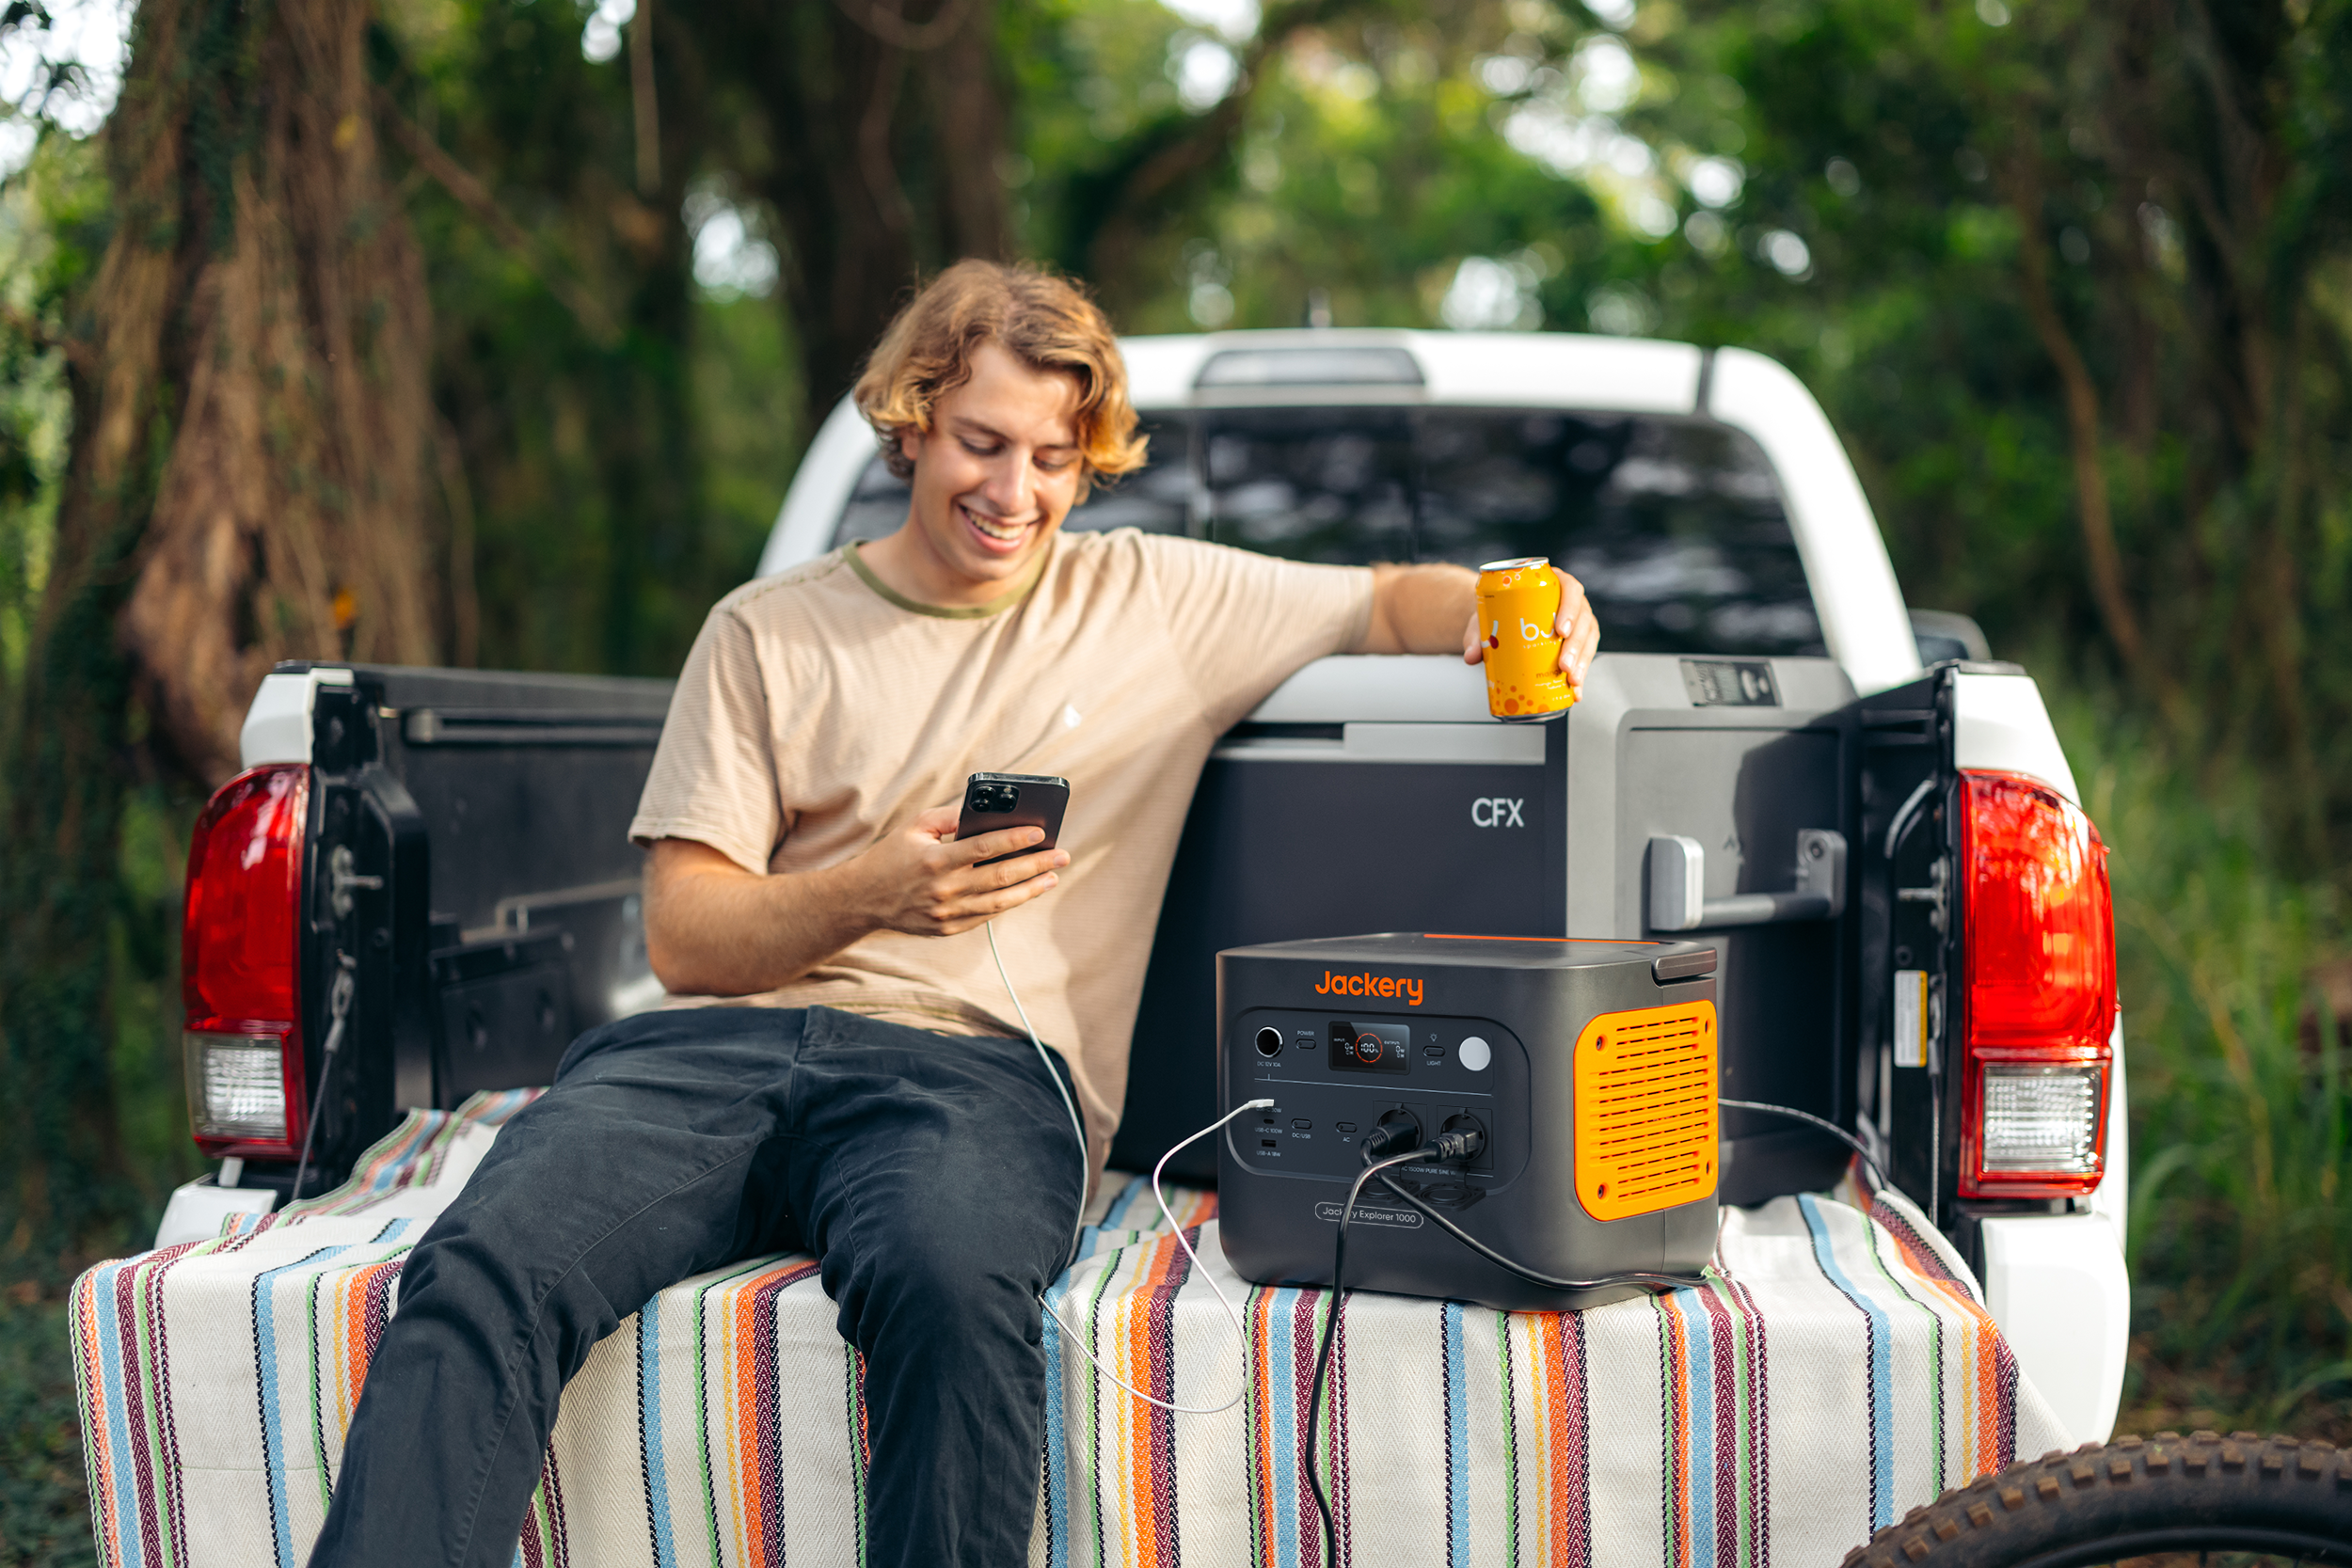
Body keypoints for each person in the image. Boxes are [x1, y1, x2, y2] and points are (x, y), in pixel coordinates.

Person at [307, 261, 1599, 1568]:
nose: (1015, 491)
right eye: (983, 443)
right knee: (483, 1264)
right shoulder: (766, 632)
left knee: (952, 1289)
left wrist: (1523, 600)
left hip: (977, 1073)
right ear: (913, 420)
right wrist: (873, 887)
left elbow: (1383, 599)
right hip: (707, 1055)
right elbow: (686, 935)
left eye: (1054, 458)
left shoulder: (1155, 600)